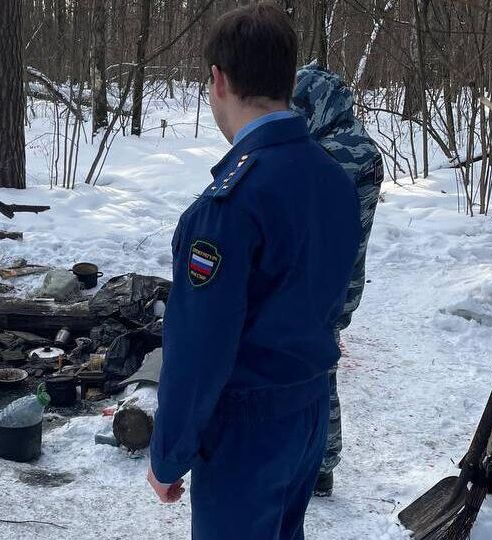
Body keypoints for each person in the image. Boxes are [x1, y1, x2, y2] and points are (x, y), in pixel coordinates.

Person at [146, 4, 361, 539]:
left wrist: (169, 454)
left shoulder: (229, 205)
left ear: (217, 80)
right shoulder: (333, 178)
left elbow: (199, 348)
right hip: (308, 411)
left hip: (248, 430)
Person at [291, 64, 385, 497]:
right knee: (319, 361)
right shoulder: (356, 144)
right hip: (342, 280)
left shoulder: (336, 153)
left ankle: (320, 463)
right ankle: (320, 461)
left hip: (323, 284)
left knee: (316, 368)